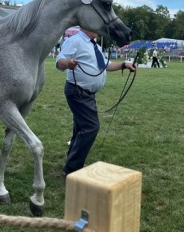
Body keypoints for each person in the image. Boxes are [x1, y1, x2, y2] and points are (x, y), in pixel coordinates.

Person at [56, 28, 136, 176]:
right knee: (91, 127)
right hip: (77, 91)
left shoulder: (95, 46)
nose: (99, 30)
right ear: (85, 26)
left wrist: (124, 65)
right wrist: (68, 62)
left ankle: (71, 162)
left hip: (87, 93)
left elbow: (105, 64)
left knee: (81, 128)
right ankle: (72, 168)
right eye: (95, 27)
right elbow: (60, 59)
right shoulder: (75, 41)